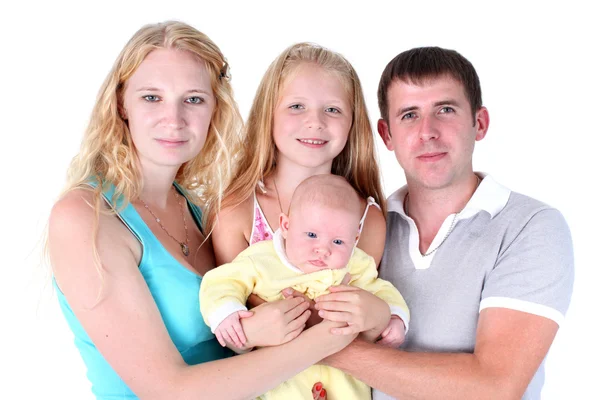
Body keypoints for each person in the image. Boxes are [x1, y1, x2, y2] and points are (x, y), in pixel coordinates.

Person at [48, 21, 356, 400]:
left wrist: (248, 335)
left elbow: (226, 347)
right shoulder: (85, 216)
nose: (174, 119)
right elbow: (168, 390)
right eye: (151, 97)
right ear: (120, 104)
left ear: (215, 109)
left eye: (193, 99)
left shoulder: (198, 209)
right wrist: (330, 335)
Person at [312, 47, 574, 400]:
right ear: (387, 135)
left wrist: (318, 346)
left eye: (445, 110)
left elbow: (495, 386)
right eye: (409, 115)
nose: (427, 132)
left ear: (478, 123)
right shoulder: (361, 229)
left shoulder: (530, 227)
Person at [200, 175, 410, 400]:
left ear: (355, 237)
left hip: (342, 381)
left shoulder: (356, 265)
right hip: (279, 379)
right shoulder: (261, 260)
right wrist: (226, 312)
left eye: (338, 241)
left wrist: (396, 317)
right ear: (286, 226)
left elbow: (380, 289)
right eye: (311, 235)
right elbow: (221, 281)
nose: (323, 250)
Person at [209, 42, 387, 269]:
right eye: (297, 106)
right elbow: (224, 293)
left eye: (332, 109)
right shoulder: (236, 212)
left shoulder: (366, 220)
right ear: (269, 113)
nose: (315, 122)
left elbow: (360, 293)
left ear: (353, 122)